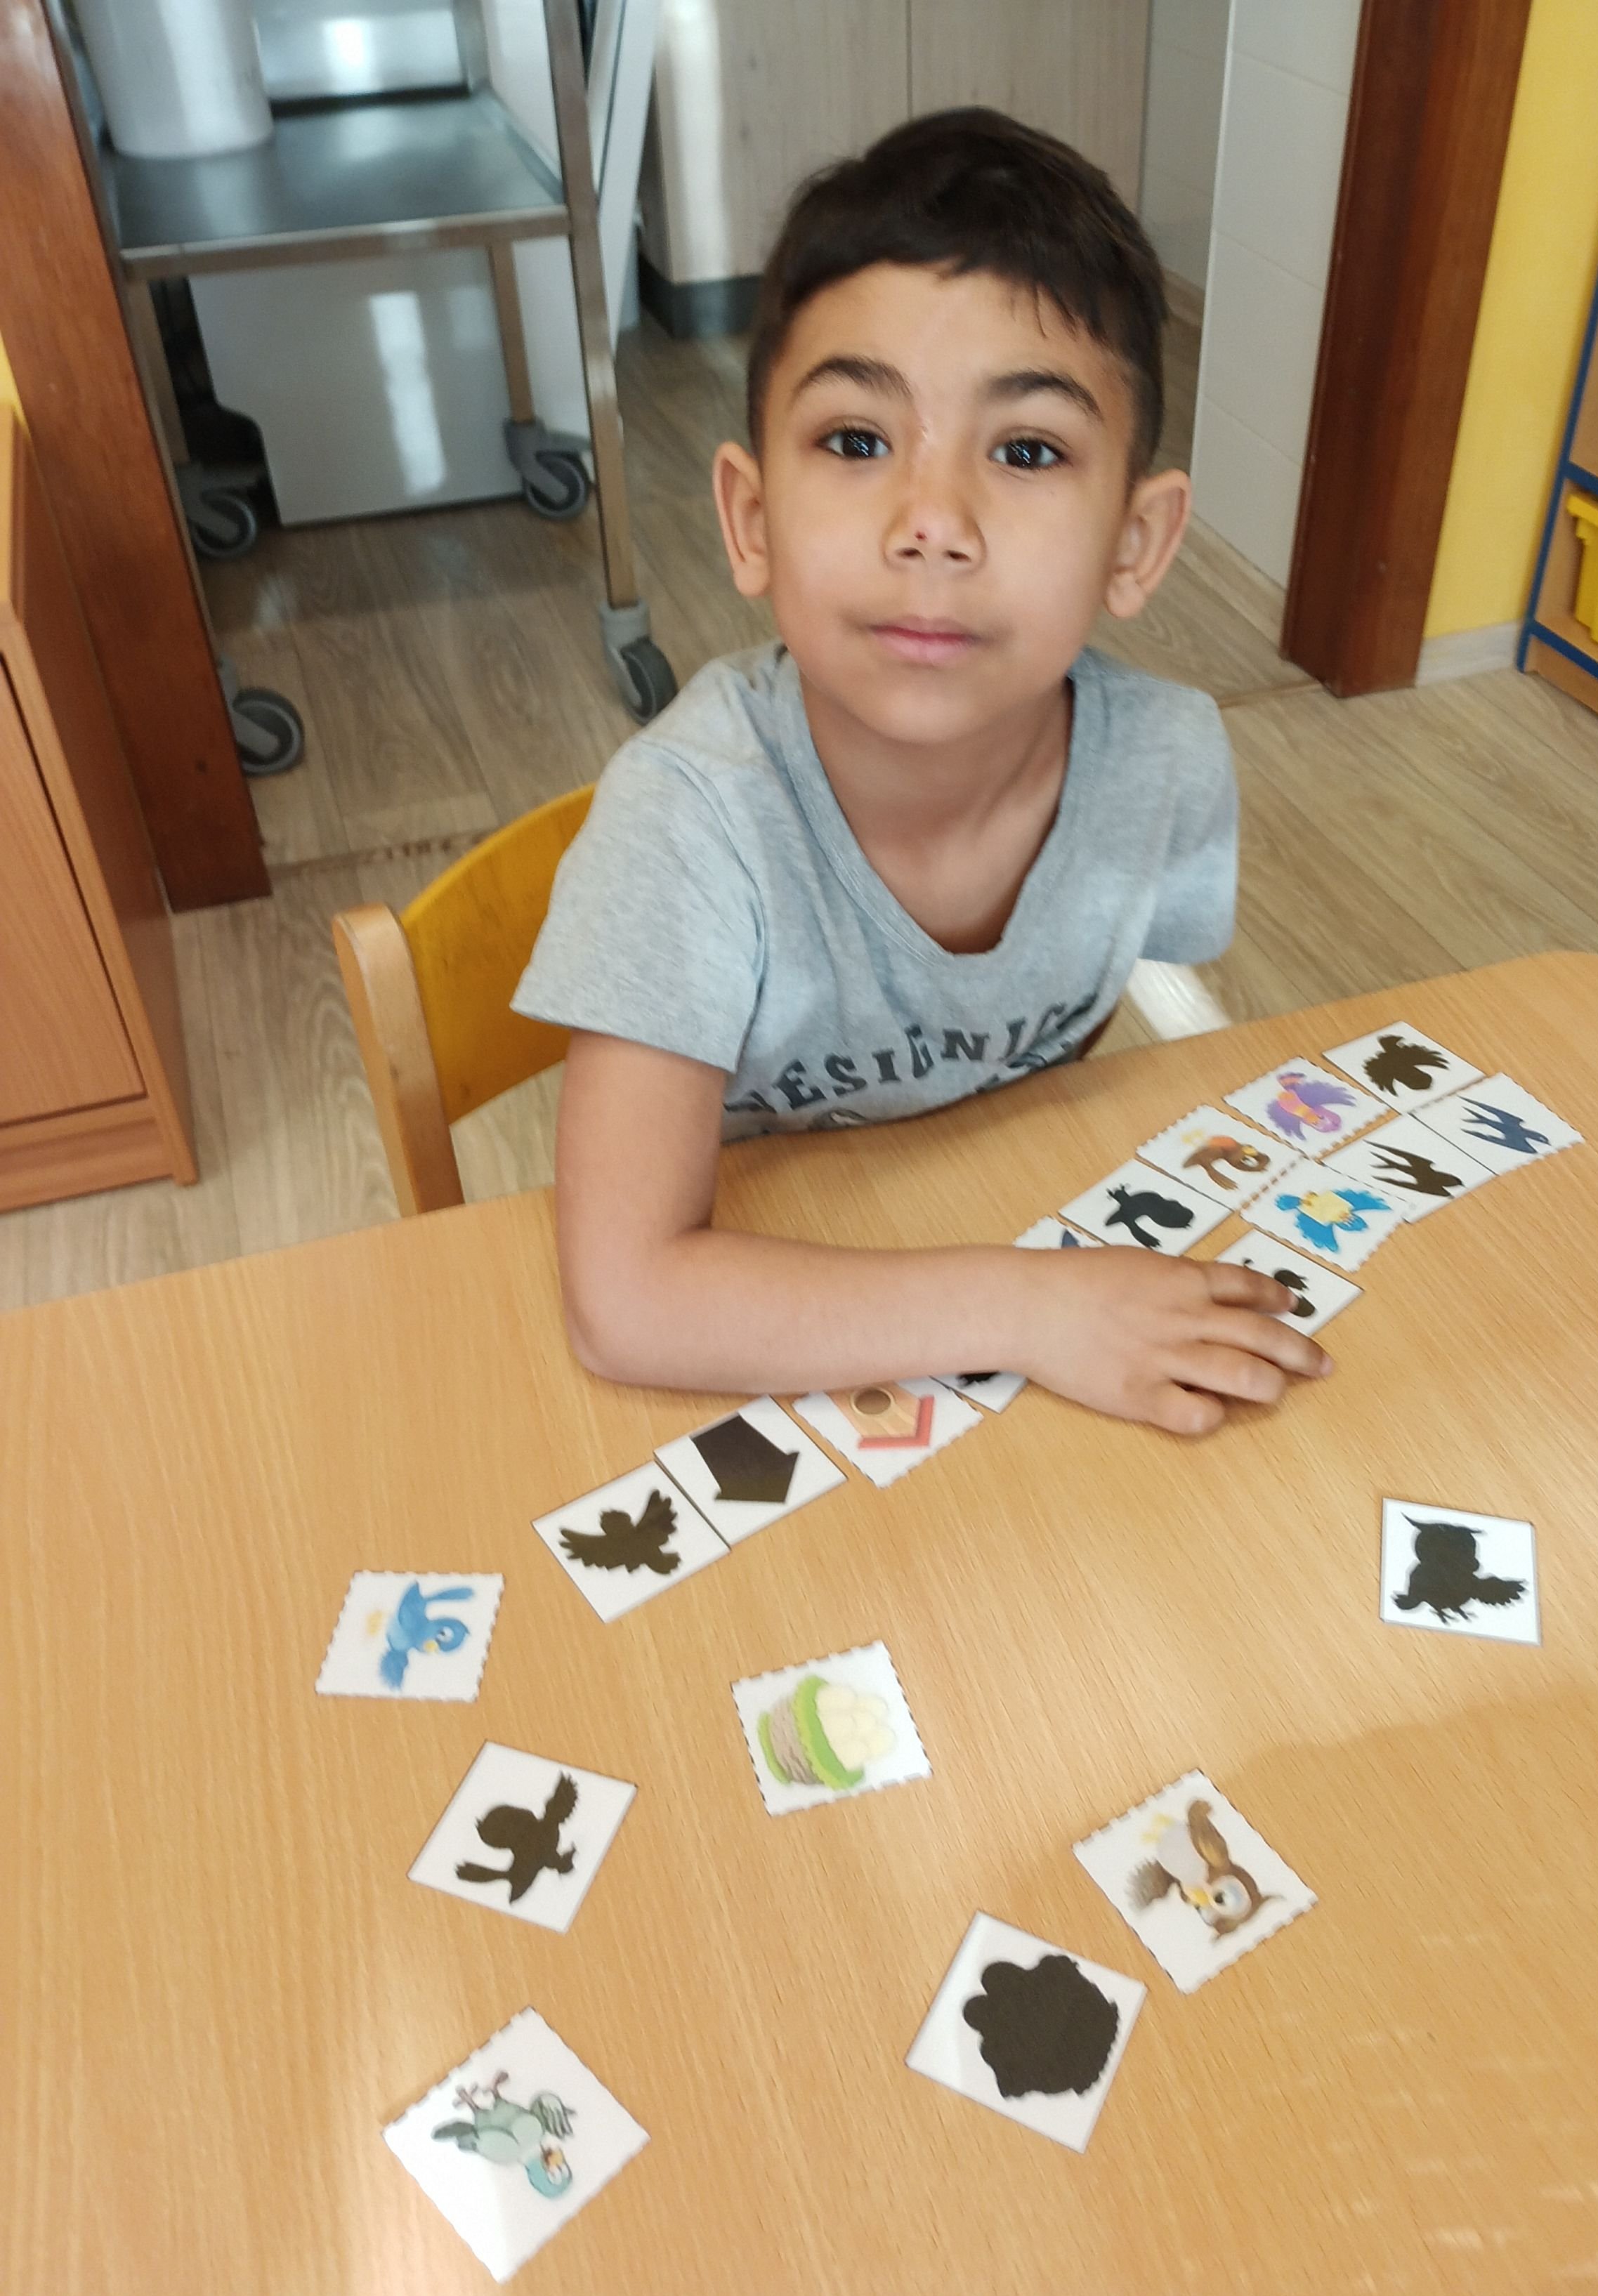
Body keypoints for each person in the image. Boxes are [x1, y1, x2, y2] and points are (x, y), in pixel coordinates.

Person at [514, 107, 1330, 1435]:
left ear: (1136, 543)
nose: (934, 525)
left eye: (1027, 451)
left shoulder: (1168, 759)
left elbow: (1072, 1071)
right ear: (750, 518)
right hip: (765, 1309)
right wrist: (1030, 1307)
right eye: (856, 440)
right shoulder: (684, 827)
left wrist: (1037, 1291)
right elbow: (625, 1299)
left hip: (982, 1264)